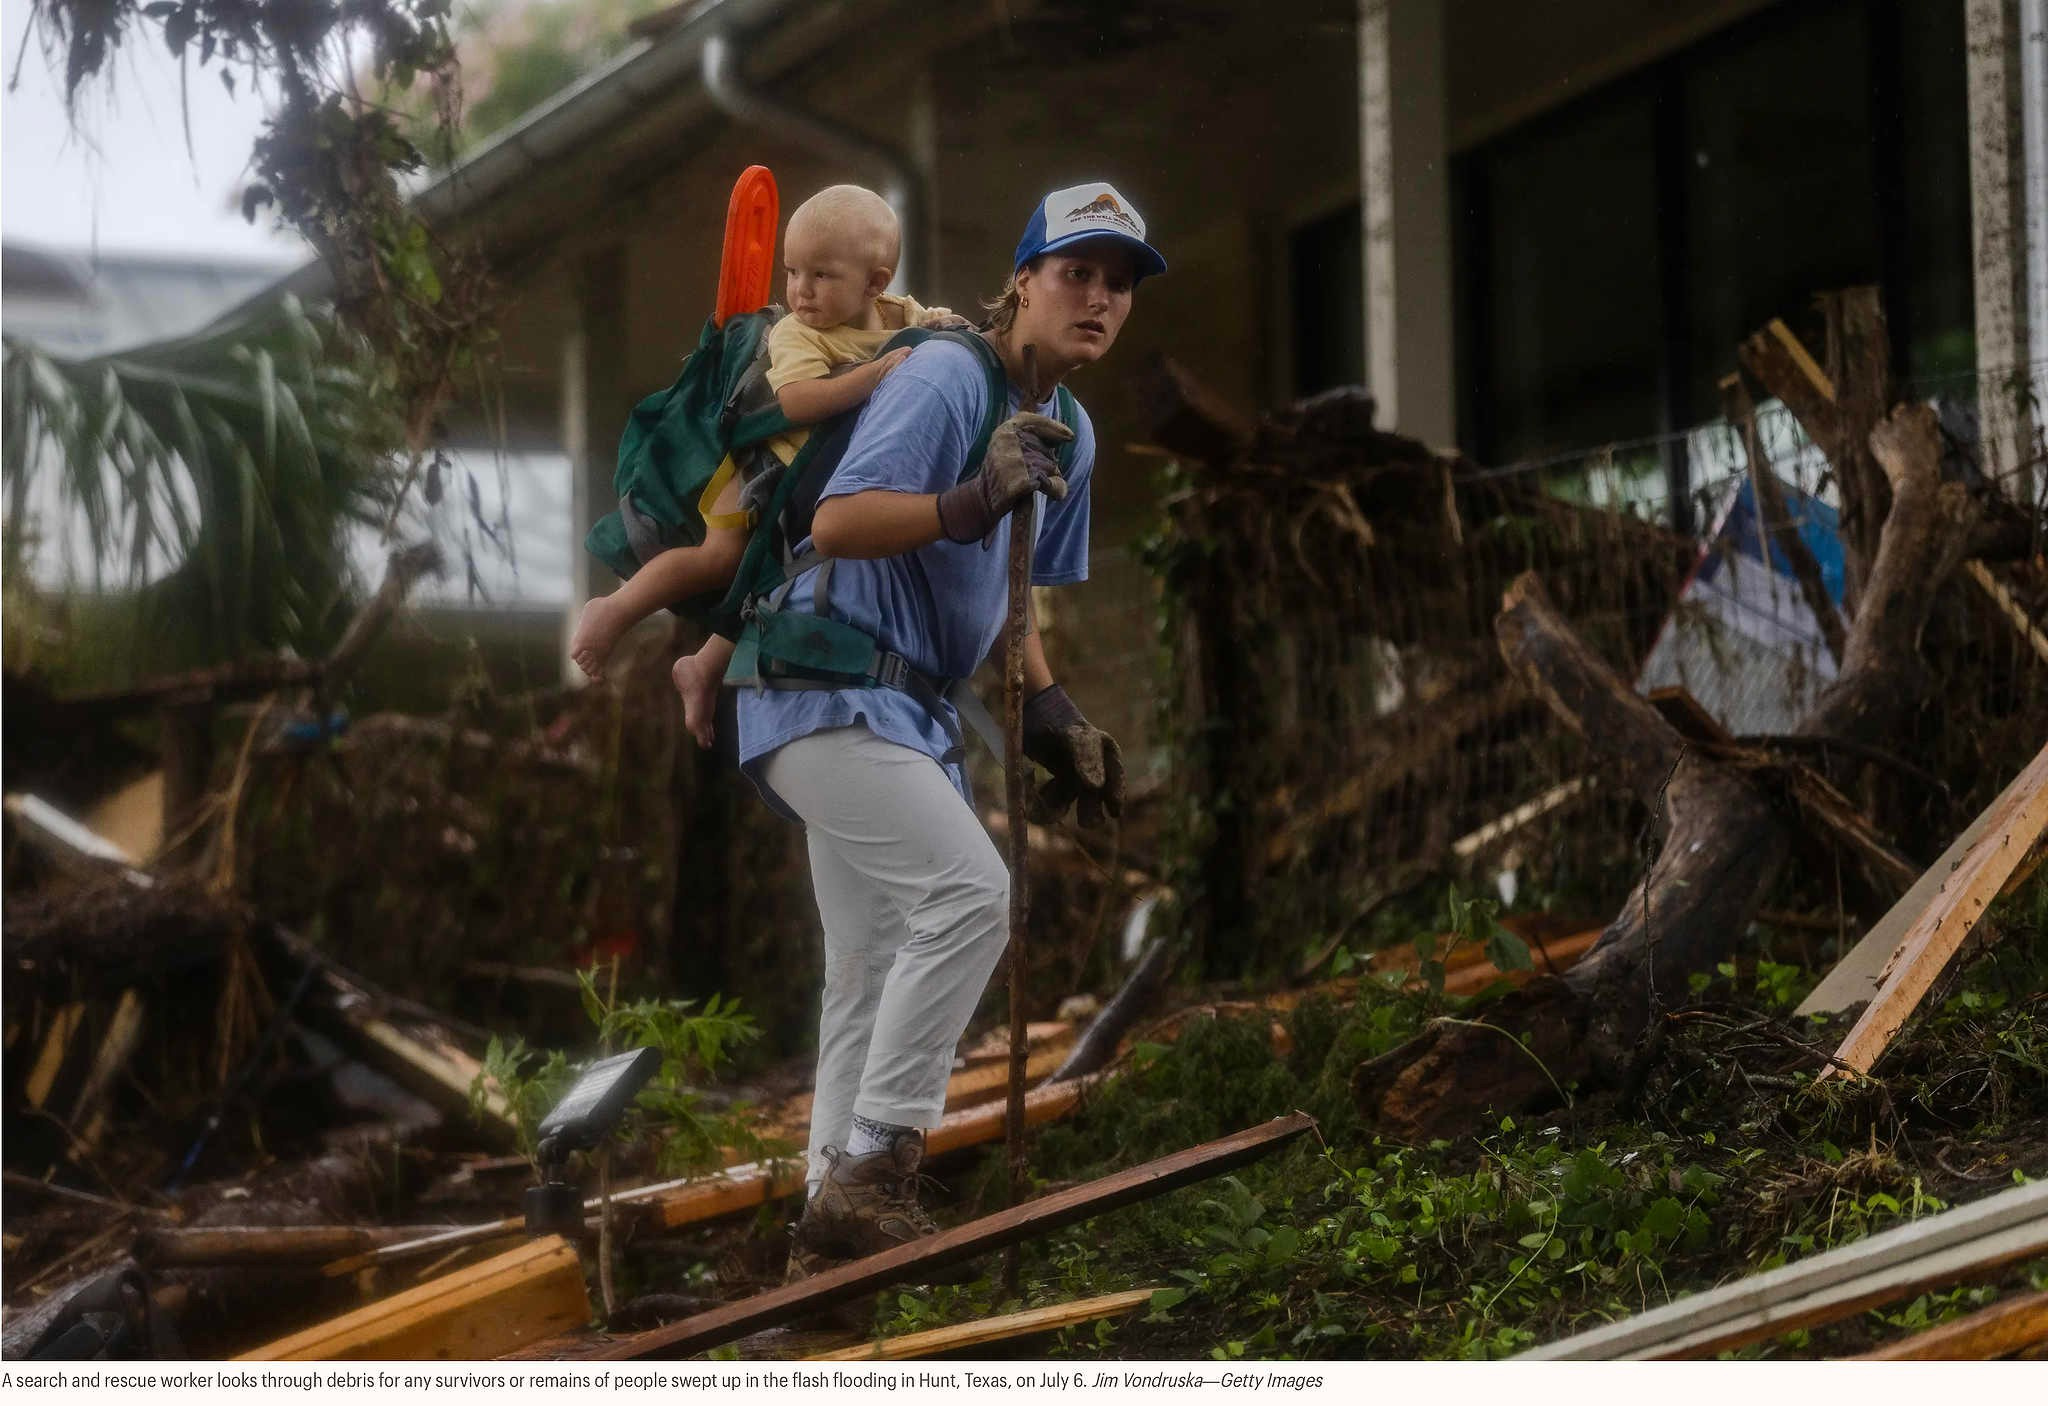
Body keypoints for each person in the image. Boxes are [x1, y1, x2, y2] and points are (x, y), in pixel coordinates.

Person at [729, 181, 1167, 1281]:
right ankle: (877, 1164)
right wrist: (968, 499)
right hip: (817, 677)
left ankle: (822, 1249)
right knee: (973, 891)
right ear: (1021, 281)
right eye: (1076, 272)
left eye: (1118, 283)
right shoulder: (942, 373)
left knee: (868, 967)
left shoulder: (1071, 429)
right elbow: (838, 522)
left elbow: (1008, 611)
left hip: (900, 709)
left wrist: (1054, 715)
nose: (1098, 298)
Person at [567, 184, 963, 738]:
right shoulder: (798, 333)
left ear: (876, 284)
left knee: (774, 586)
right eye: (791, 272)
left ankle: (703, 668)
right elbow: (797, 401)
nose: (801, 291)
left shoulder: (898, 315)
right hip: (761, 470)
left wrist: (947, 329)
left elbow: (929, 328)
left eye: (821, 275)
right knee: (718, 559)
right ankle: (614, 610)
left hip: (812, 483)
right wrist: (870, 376)